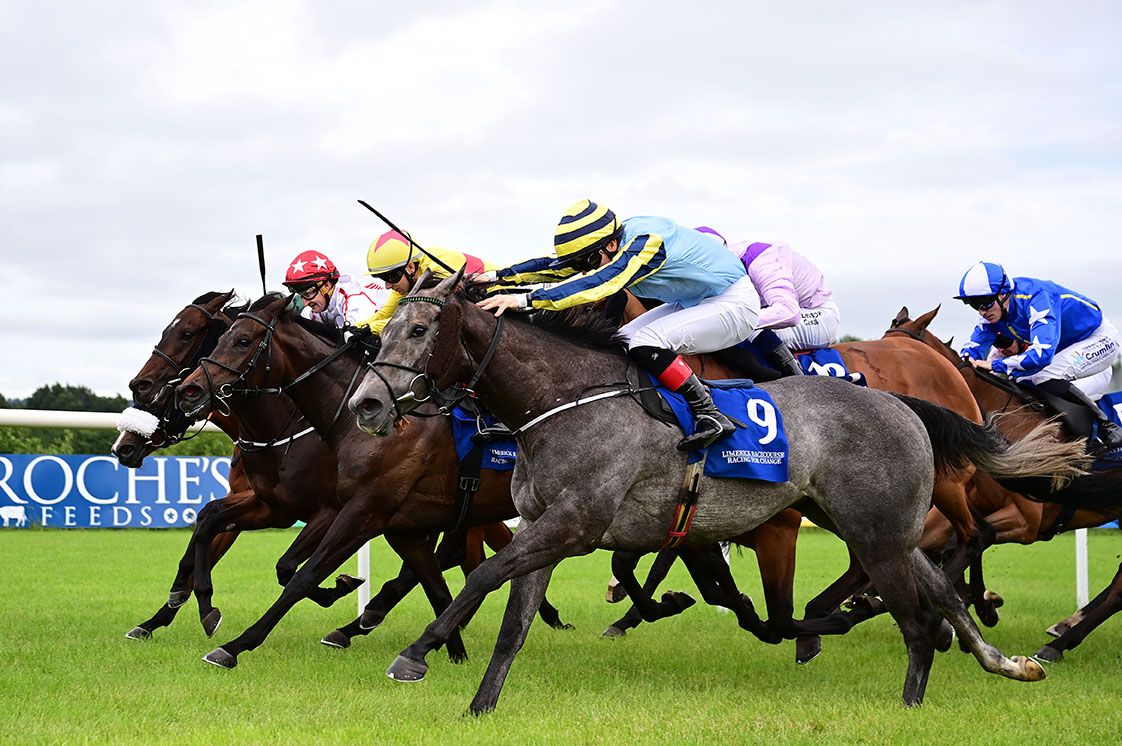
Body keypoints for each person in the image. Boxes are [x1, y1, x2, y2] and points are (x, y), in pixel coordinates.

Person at [477, 199, 766, 452]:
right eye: (581, 262)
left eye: (588, 260)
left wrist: (525, 301)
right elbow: (554, 266)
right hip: (695, 301)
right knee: (621, 340)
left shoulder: (647, 241)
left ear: (612, 244)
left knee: (646, 341)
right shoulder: (611, 244)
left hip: (733, 302)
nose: (585, 268)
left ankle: (710, 413)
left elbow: (603, 282)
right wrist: (493, 278)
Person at [955, 260, 1122, 449]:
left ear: (1002, 294)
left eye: (984, 302)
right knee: (1023, 381)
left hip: (1099, 339)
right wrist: (966, 360)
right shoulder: (993, 311)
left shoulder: (1036, 298)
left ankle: (1107, 426)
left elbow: (1041, 355)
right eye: (973, 304)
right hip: (1065, 350)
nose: (981, 311)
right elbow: (973, 349)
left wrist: (994, 365)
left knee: (1044, 375)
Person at [696, 226, 838, 376]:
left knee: (743, 327)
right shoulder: (721, 266)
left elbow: (788, 313)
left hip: (818, 314)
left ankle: (798, 382)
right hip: (780, 310)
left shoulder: (761, 260)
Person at [360, 229, 492, 334]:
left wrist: (371, 329)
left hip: (500, 296)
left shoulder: (436, 269)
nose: (388, 286)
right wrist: (356, 327)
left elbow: (419, 318)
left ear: (410, 267)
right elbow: (385, 314)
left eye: (390, 277)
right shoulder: (408, 278)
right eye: (383, 278)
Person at [282, 250, 387, 329]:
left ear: (326, 286)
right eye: (302, 295)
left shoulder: (355, 299)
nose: (305, 303)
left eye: (308, 294)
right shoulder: (321, 303)